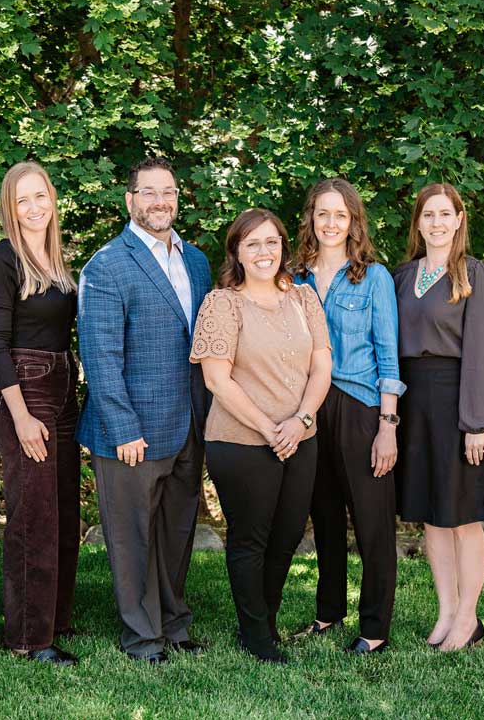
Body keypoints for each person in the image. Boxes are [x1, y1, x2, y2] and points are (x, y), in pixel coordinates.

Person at [77, 156, 213, 664]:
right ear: (130, 200)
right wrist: (122, 428)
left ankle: (174, 625)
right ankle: (142, 637)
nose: (161, 201)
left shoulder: (195, 260)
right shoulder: (107, 265)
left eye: (169, 191)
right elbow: (100, 355)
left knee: (176, 533)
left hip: (187, 424)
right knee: (132, 539)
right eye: (149, 192)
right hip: (130, 429)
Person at [191, 208, 332, 663]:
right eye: (252, 244)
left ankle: (264, 622)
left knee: (288, 535)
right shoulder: (222, 303)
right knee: (251, 538)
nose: (264, 251)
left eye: (272, 242)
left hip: (300, 438)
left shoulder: (304, 298)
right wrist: (271, 427)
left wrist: (302, 421)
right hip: (240, 442)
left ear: (283, 247)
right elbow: (217, 379)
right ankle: (255, 635)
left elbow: (322, 366)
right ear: (237, 251)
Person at [289, 178, 404, 655]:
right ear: (311, 220)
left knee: (373, 521)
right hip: (309, 409)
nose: (331, 223)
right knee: (325, 517)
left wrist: (387, 426)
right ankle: (328, 613)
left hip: (361, 408)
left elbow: (389, 355)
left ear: (354, 222)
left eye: (341, 215)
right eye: (323, 214)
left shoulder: (373, 277)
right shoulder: (292, 278)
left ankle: (374, 627)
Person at [392, 183, 484, 652]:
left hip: (459, 400)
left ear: (459, 220)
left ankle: (468, 618)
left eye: (445, 214)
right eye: (428, 214)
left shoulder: (474, 274)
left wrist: (477, 423)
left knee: (463, 518)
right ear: (418, 222)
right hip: (413, 403)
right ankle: (445, 610)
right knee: (432, 518)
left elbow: (483, 353)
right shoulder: (400, 276)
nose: (437, 222)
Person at [0, 162, 81, 666]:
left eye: (40, 195)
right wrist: (20, 415)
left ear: (52, 198)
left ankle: (55, 618)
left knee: (63, 510)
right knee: (33, 517)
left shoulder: (58, 259)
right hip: (25, 389)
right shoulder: (3, 259)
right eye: (22, 200)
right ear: (10, 207)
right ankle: (28, 637)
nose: (34, 207)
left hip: (63, 386)